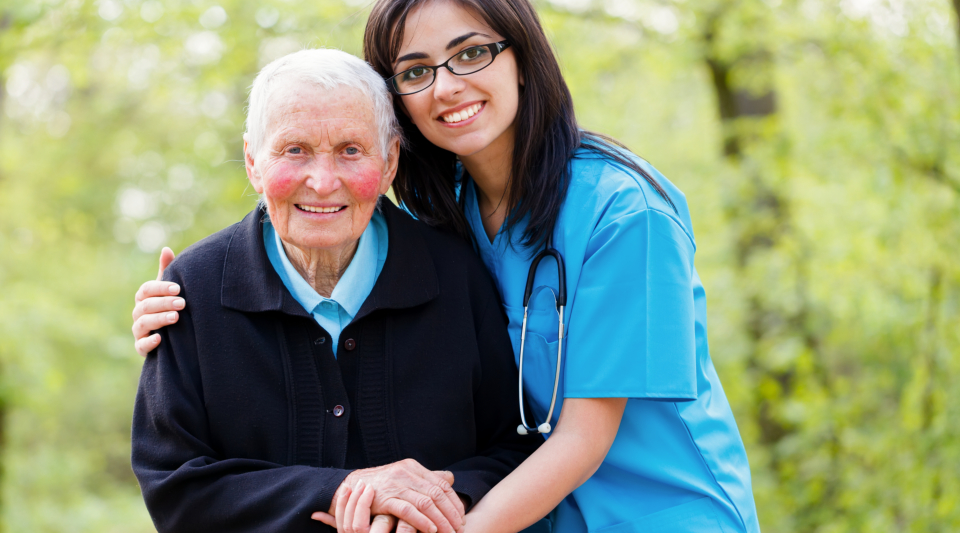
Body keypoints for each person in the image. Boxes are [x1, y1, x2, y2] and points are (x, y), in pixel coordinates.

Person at [134, 0, 763, 531]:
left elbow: (580, 438)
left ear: (522, 55)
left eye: (471, 54)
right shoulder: (451, 214)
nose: (446, 86)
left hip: (662, 512)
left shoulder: (625, 214)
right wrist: (185, 309)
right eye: (416, 70)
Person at [130, 48, 542, 533]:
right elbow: (174, 487)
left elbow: (516, 448)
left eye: (350, 150)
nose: (323, 182)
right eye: (294, 150)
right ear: (253, 162)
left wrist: (431, 502)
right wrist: (345, 489)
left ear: (389, 162)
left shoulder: (455, 272)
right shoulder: (191, 291)